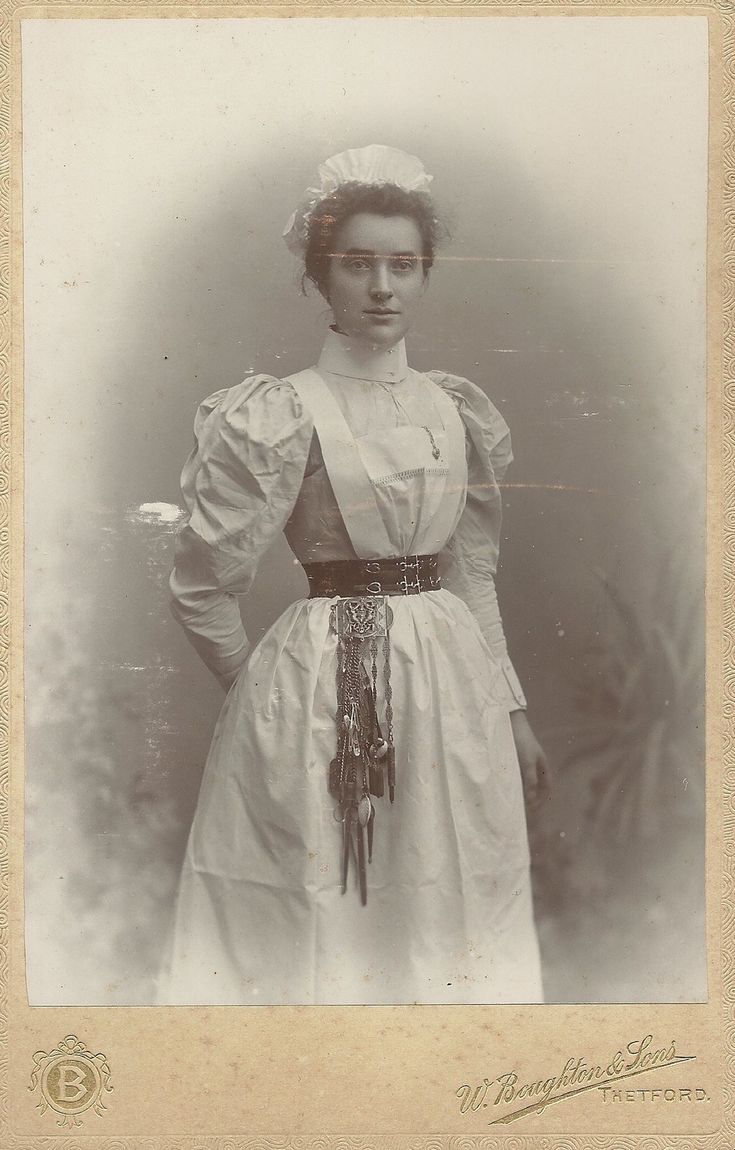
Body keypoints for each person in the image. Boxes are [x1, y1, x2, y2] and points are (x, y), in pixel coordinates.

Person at [158, 145, 548, 1005]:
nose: (382, 287)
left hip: (451, 688)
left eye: (403, 265)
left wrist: (511, 708)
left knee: (447, 899)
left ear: (424, 275)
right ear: (320, 276)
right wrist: (258, 696)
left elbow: (470, 573)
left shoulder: (456, 407)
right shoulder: (280, 411)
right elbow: (201, 587)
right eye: (357, 264)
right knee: (325, 911)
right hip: (314, 693)